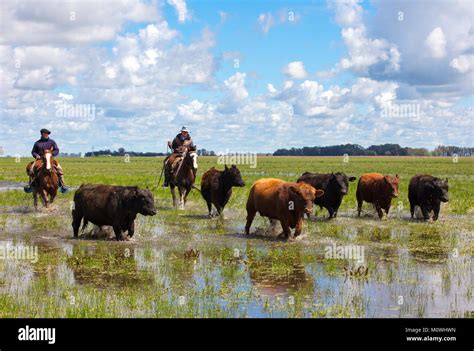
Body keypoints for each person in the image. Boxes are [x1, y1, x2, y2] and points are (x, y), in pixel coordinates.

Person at [24, 128, 68, 193]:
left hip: (50, 159)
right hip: (40, 160)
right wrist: (36, 155)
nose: (47, 135)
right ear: (42, 134)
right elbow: (33, 152)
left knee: (59, 169)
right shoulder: (37, 143)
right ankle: (30, 185)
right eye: (46, 134)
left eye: (47, 134)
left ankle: (62, 185)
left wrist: (51, 154)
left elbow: (57, 150)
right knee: (31, 169)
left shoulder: (52, 142)